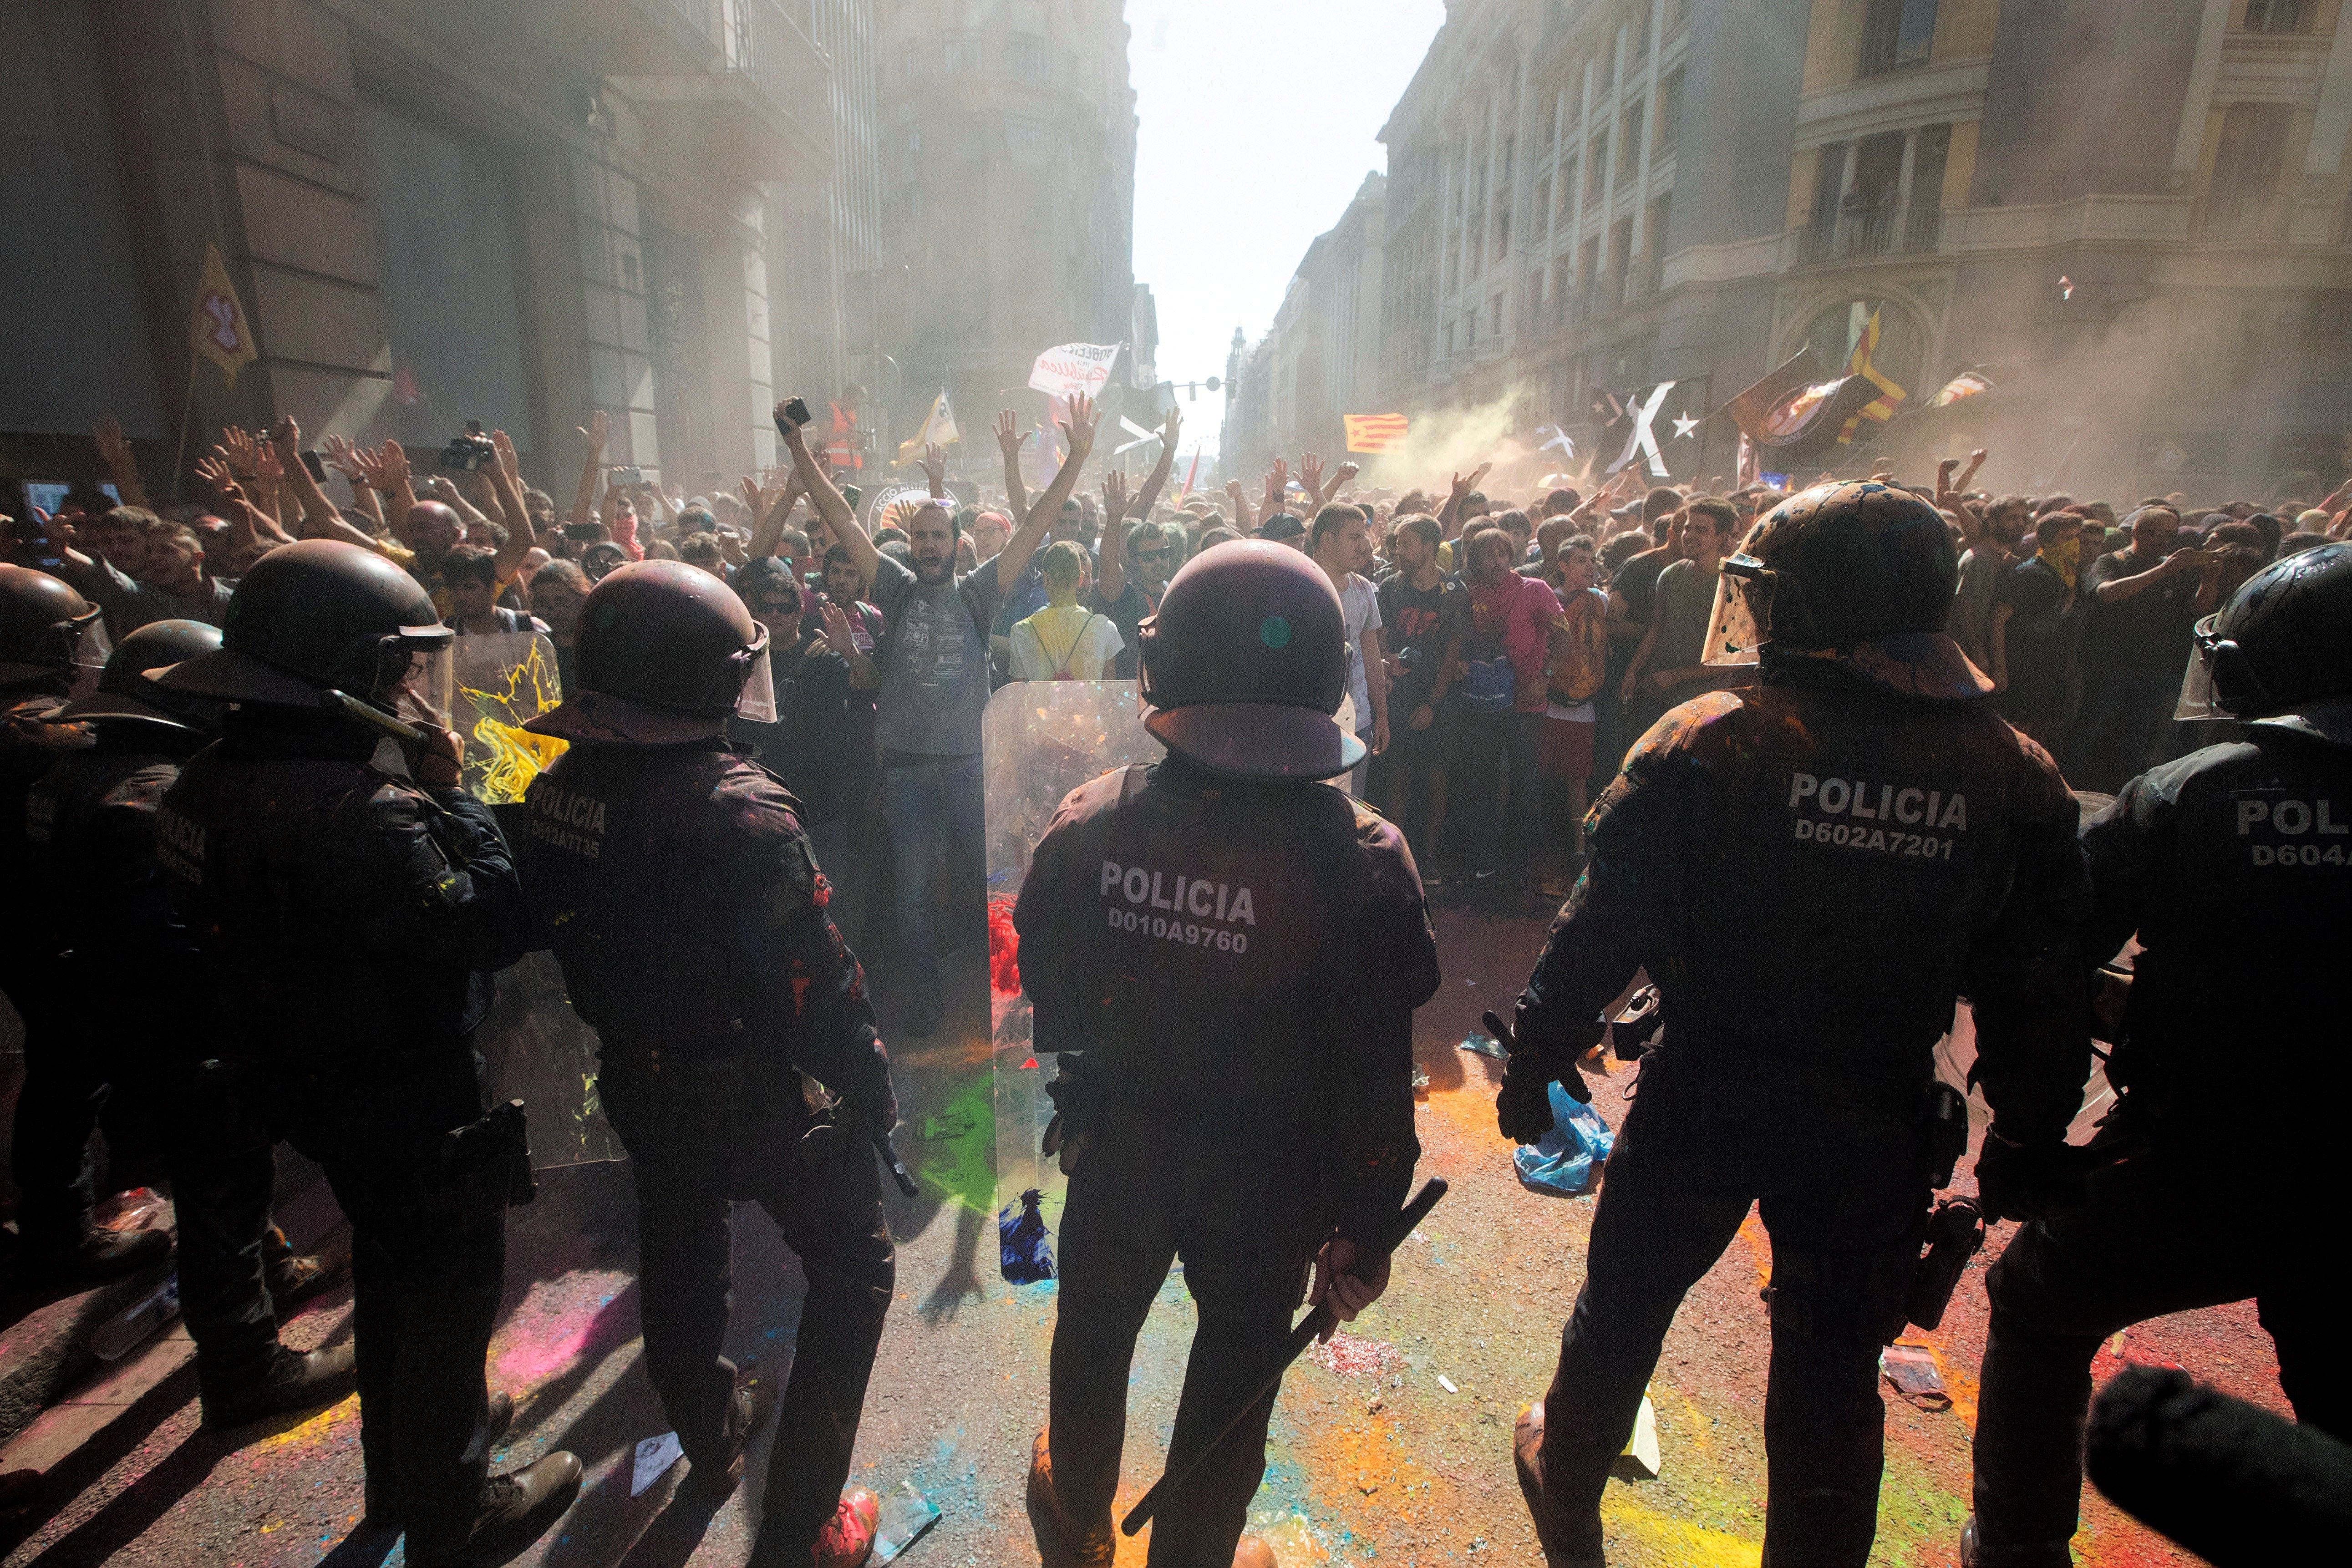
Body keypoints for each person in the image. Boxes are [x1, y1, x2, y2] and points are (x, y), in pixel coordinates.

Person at [1503, 482, 2091, 1568]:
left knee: (1626, 1302)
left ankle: (1570, 1476)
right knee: (1830, 1371)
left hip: (1707, 1091)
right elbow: (2041, 983)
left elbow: (1605, 916)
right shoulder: (2011, 768)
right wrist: (2028, 1136)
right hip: (1872, 1115)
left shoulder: (1714, 734)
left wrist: (1540, 1047)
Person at [154, 541, 580, 1568]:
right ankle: (453, 1507)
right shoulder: (366, 813)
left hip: (304, 1079)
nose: (406, 693)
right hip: (408, 1088)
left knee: (390, 1270)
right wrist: (461, 792)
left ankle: (403, 1468)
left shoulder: (205, 775)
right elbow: (495, 921)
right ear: (341, 671)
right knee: (447, 1287)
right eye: (394, 672)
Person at [1015, 540, 1439, 1568]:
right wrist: (1365, 1230)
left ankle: (1076, 1518)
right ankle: (1192, 1551)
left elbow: (1052, 997)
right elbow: (1374, 1079)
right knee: (1237, 1372)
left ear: (1166, 670)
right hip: (1269, 1187)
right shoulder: (1365, 858)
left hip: (1118, 1153)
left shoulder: (1090, 821)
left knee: (1093, 1338)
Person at [1962, 542, 2352, 1568]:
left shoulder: (2192, 789)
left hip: (2203, 1163)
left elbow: (2044, 967)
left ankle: (2017, 1547)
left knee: (2038, 1304)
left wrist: (2030, 1136)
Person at [519, 560, 897, 1565]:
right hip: (756, 1097)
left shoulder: (558, 788)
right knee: (855, 1263)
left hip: (638, 1079)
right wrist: (871, 1084)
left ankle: (711, 1432)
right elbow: (816, 979)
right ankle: (802, 1528)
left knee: (682, 1251)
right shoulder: (740, 810)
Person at [28, 619, 354, 1421]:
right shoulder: (148, 795)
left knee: (224, 1181)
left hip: (92, 1010)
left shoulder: (70, 773)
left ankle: (272, 1268)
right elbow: (172, 944)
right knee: (224, 1187)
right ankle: (247, 1368)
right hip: (173, 1032)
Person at [782, 394, 1095, 1036]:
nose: (928, 545)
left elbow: (1035, 523)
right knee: (911, 895)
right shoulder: (893, 588)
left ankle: (1013, 997)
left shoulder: (980, 593)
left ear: (955, 544)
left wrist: (1079, 457)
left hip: (972, 770)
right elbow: (840, 518)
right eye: (920, 536)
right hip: (907, 777)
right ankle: (927, 993)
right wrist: (795, 452)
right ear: (912, 544)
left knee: (1001, 888)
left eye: (938, 536)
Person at [0, 564, 169, 1282]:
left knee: (63, 1074)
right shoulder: (38, 729)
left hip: (29, 921)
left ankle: (57, 1220)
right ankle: (60, 1236)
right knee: (68, 1078)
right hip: (48, 927)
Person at [2068, 506, 2223, 791]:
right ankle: (2072, 785)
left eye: (2170, 535)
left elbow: (2198, 611)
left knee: (2137, 735)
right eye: (2157, 534)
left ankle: (2123, 792)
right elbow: (2107, 593)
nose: (2164, 541)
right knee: (2091, 727)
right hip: (2111, 662)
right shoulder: (2112, 561)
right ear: (2137, 532)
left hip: (2156, 664)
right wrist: (2163, 570)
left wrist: (2209, 580)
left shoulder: (2176, 568)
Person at [1456, 525, 1561, 884]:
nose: (1497, 560)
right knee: (1480, 780)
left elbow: (1565, 639)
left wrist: (1544, 677)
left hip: (1524, 703)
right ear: (1475, 559)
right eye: (1488, 554)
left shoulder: (1535, 591)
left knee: (1524, 783)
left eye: (1503, 553)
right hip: (1482, 702)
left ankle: (1524, 860)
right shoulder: (1467, 593)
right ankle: (1483, 857)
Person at [1377, 514, 1468, 873]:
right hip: (1398, 693)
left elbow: (1452, 653)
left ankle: (1427, 855)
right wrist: (1386, 661)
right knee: (1397, 773)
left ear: (1429, 548)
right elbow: (1380, 633)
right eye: (1398, 544)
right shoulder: (1390, 586)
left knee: (1435, 776)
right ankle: (1396, 855)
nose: (1399, 551)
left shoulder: (1453, 593)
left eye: (1407, 544)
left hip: (1438, 698)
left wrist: (1433, 703)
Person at [1619, 498, 1736, 741]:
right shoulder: (1671, 575)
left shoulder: (1733, 585)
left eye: (1701, 530)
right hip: (1658, 693)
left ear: (1721, 537)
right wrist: (1632, 670)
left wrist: (1676, 676)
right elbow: (1657, 629)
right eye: (1688, 528)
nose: (1689, 535)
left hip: (1704, 704)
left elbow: (1733, 660)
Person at [1539, 535, 1609, 878]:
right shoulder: (1546, 599)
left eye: (1592, 560)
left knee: (1577, 778)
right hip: (1547, 701)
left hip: (1582, 704)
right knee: (1535, 772)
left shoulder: (1600, 602)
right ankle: (1529, 842)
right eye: (1581, 560)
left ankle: (1578, 848)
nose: (1589, 566)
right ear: (1563, 566)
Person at [1309, 504, 1389, 795]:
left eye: (1365, 536)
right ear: (1328, 541)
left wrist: (1381, 715)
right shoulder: (1300, 586)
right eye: (1355, 538)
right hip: (1311, 722)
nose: (1365, 546)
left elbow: (1371, 655)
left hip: (1359, 723)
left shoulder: (1364, 588)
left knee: (1351, 810)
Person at [1990, 513, 2082, 746]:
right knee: (2016, 731)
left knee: (2045, 727)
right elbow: (1998, 620)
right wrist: (2000, 668)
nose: (2075, 544)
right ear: (2048, 541)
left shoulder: (2070, 573)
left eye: (2076, 537)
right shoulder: (2028, 573)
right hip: (2023, 663)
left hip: (2052, 666)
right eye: (2067, 538)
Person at [1011, 542, 1123, 680]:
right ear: (1081, 578)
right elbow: (1108, 692)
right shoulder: (1106, 628)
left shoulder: (1021, 632)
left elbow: (1018, 695)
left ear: (1046, 578)